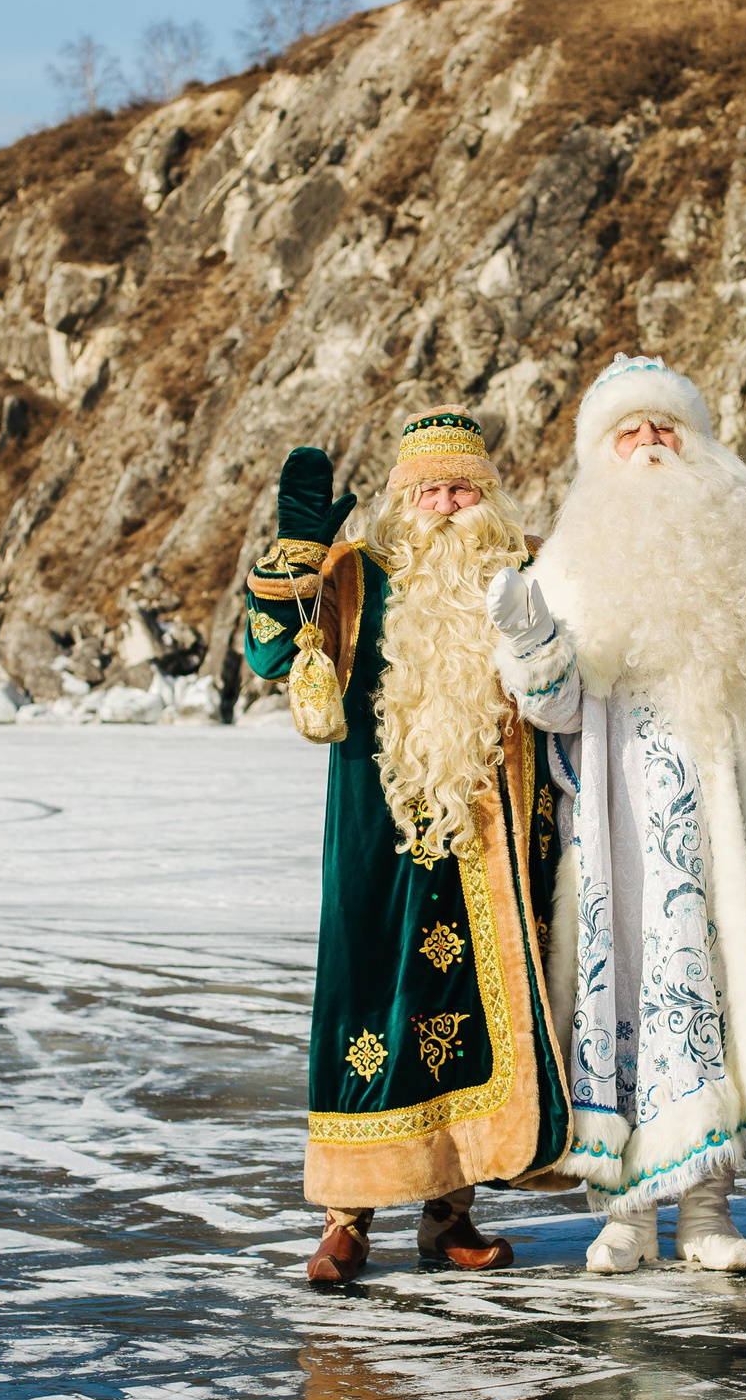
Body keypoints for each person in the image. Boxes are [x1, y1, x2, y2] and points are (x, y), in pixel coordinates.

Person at [489, 354, 746, 1274]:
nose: (650, 442)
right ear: (601, 451)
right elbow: (556, 710)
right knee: (633, 993)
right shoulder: (573, 557)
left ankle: (706, 1205)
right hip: (629, 828)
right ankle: (623, 1214)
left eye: (665, 425)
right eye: (630, 430)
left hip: (741, 815)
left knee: (727, 991)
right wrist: (532, 643)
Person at [242, 406, 573, 1284]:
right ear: (402, 499)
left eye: (462, 487)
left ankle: (449, 1215)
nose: (447, 503)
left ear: (489, 494)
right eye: (430, 489)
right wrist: (293, 561)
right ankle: (345, 1216)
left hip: (491, 845)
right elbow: (272, 656)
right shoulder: (357, 574)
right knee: (365, 1015)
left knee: (465, 1027)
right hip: (379, 843)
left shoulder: (529, 568)